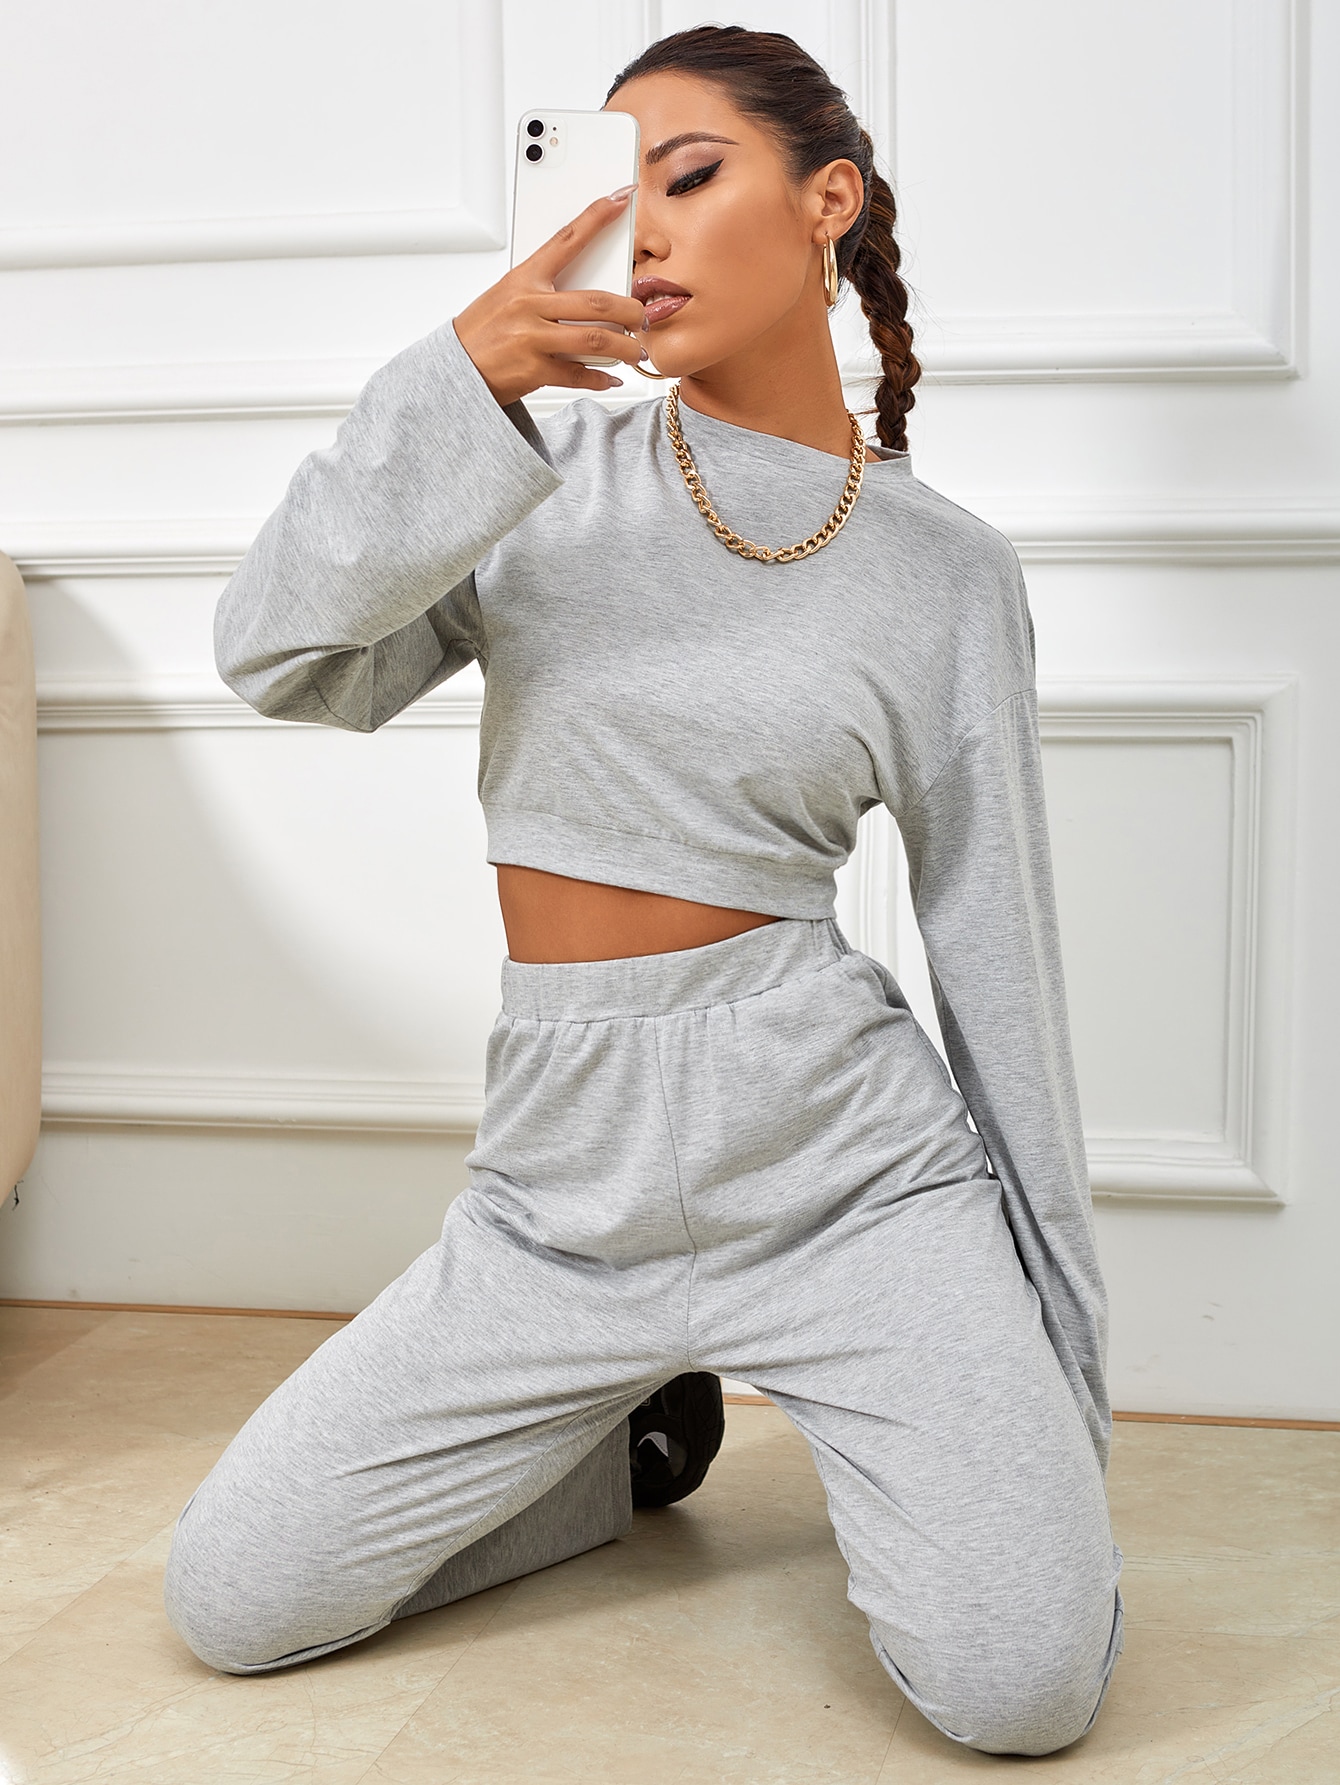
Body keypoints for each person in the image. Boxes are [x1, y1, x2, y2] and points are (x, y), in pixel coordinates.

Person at [163, 25, 1125, 1757]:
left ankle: (900, 1444)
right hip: (564, 1179)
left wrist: (1058, 1384)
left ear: (827, 201)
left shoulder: (946, 572)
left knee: (1021, 1692)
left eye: (690, 176)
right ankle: (623, 1440)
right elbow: (278, 656)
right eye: (622, 193)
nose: (648, 230)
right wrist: (456, 384)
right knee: (235, 1601)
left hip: (841, 1170)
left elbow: (1002, 951)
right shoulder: (530, 476)